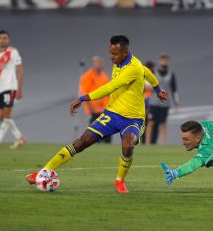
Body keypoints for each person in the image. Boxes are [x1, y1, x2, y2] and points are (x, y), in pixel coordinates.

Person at [25, 35, 168, 193]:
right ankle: (43, 171)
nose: (111, 57)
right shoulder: (122, 62)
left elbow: (110, 87)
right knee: (82, 141)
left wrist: (82, 98)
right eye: (110, 52)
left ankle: (119, 181)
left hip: (133, 119)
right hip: (112, 114)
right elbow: (147, 72)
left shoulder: (133, 68)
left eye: (114, 54)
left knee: (128, 145)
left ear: (125, 52)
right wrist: (158, 89)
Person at [0, 30, 27, 149]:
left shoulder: (13, 52)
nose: (3, 40)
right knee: (2, 117)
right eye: (0, 38)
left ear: (8, 40)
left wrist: (19, 89)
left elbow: (20, 71)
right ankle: (20, 138)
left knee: (7, 115)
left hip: (10, 86)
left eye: (5, 38)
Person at [146, 52, 179, 145]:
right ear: (159, 61)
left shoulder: (171, 74)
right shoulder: (154, 71)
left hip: (165, 102)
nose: (164, 62)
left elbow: (174, 89)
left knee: (163, 123)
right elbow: (146, 84)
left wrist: (176, 103)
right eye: (162, 60)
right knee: (151, 122)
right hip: (153, 102)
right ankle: (147, 144)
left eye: (165, 60)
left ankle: (163, 143)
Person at [79, 56, 111, 143]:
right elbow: (84, 93)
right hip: (94, 110)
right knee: (94, 133)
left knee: (107, 133)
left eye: (101, 63)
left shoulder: (104, 76)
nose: (100, 65)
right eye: (98, 63)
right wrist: (90, 107)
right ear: (94, 64)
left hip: (105, 110)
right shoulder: (87, 76)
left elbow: (109, 91)